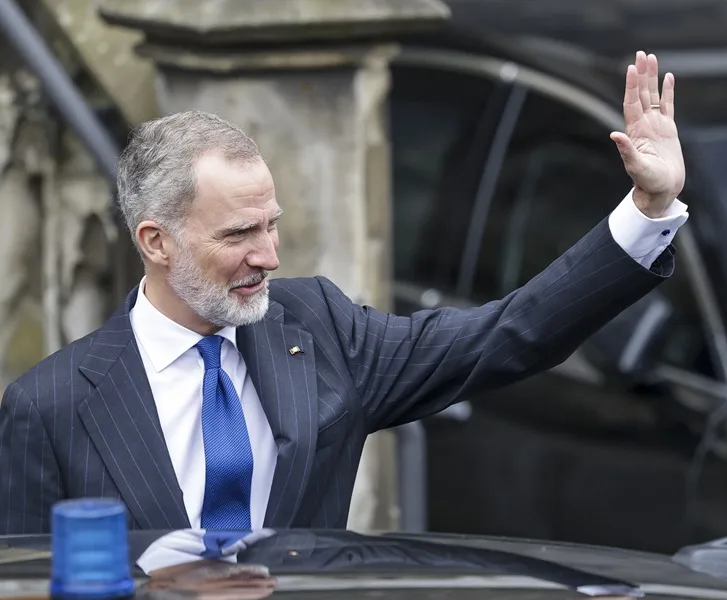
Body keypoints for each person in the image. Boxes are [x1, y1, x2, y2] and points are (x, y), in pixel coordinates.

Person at [0, 51, 688, 534]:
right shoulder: (50, 408)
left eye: (272, 225)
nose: (268, 256)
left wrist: (646, 211)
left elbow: (507, 335)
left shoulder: (319, 328)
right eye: (240, 234)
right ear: (155, 242)